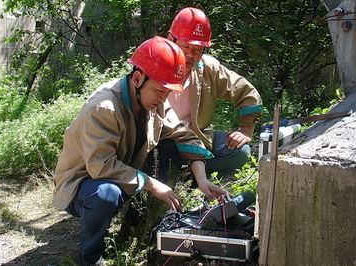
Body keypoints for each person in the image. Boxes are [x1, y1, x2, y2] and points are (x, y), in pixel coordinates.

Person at [52, 36, 227, 266]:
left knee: (170, 147)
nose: (164, 98)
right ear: (137, 78)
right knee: (106, 194)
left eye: (168, 91)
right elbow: (100, 166)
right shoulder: (103, 108)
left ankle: (133, 233)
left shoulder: (156, 99)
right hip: (84, 184)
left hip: (124, 175)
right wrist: (152, 184)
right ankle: (90, 258)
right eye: (159, 90)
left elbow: (185, 135)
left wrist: (202, 180)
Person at [161, 7, 263, 179]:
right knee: (159, 158)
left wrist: (246, 130)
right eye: (185, 46)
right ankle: (171, 176)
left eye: (198, 49)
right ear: (171, 39)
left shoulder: (208, 68)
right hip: (161, 140)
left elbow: (245, 91)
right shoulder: (155, 62)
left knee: (240, 152)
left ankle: (188, 178)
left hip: (197, 137)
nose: (190, 55)